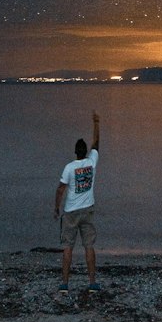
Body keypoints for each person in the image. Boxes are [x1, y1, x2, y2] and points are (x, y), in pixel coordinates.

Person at [54, 110, 100, 293]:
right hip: (87, 210)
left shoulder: (69, 168)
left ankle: (65, 284)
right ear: (85, 151)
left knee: (68, 247)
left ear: (75, 152)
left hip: (71, 212)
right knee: (89, 246)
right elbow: (96, 143)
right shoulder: (92, 163)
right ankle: (92, 283)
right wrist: (97, 123)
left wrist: (56, 208)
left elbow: (60, 189)